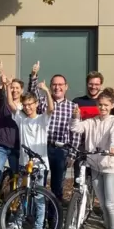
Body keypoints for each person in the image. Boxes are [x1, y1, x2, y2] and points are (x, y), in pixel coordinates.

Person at [70, 88, 114, 229]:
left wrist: (113, 147)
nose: (103, 108)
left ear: (112, 105)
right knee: (102, 203)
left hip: (110, 166)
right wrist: (76, 116)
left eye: (106, 105)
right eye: (100, 105)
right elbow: (76, 129)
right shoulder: (92, 121)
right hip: (95, 165)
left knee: (110, 203)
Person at [4, 74, 54, 229]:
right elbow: (11, 104)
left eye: (30, 104)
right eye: (25, 105)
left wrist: (46, 91)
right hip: (25, 164)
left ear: (36, 104)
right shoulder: (21, 119)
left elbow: (51, 109)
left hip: (39, 165)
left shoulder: (42, 119)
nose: (27, 108)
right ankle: (17, 224)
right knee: (22, 195)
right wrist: (8, 86)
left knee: (39, 197)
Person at [0, 61, 39, 214]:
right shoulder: (4, 102)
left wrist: (33, 75)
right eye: (12, 87)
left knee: (19, 181)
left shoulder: (25, 106)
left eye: (17, 88)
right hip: (1, 145)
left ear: (21, 90)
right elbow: (0, 89)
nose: (15, 90)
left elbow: (32, 93)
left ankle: (15, 213)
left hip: (18, 148)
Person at [41, 73, 80, 206]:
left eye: (60, 85)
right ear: (50, 86)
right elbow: (31, 95)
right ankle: (39, 218)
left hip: (61, 151)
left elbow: (75, 133)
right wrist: (34, 76)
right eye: (54, 85)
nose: (57, 87)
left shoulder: (73, 107)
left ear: (66, 87)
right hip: (43, 148)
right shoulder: (42, 102)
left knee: (57, 188)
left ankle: (54, 221)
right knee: (39, 184)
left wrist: (72, 154)